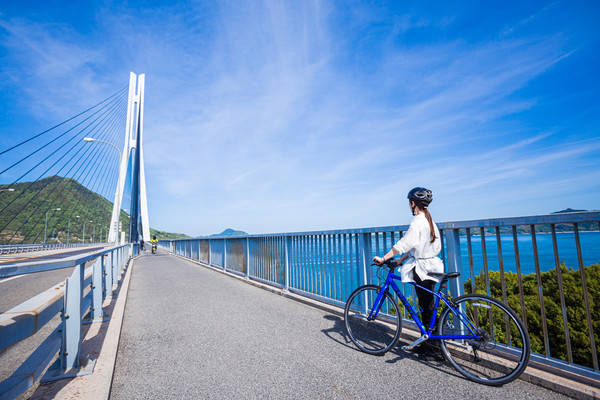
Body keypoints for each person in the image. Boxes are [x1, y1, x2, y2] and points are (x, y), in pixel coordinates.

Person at [373, 187, 444, 360]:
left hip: (423, 269)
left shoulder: (417, 222)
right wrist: (401, 260)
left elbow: (403, 244)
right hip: (431, 265)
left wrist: (384, 258)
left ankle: (434, 349)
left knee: (426, 307)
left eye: (409, 203)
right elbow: (415, 245)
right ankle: (427, 344)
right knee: (426, 305)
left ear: (413, 203)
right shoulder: (429, 221)